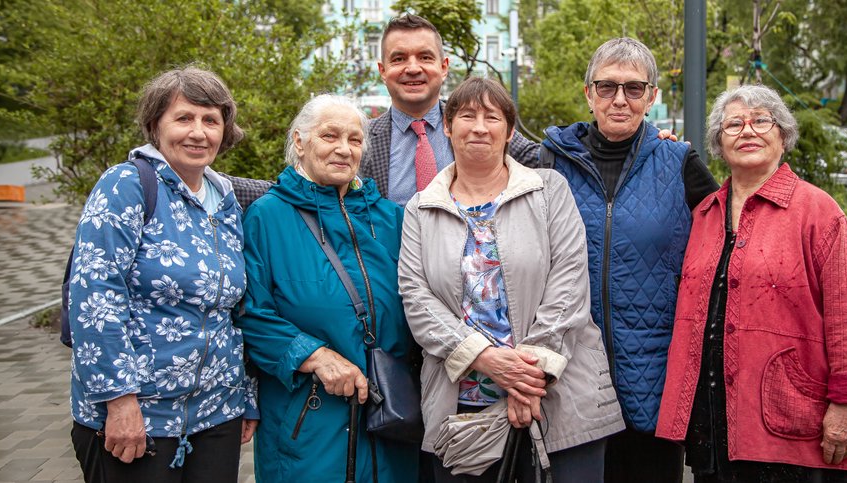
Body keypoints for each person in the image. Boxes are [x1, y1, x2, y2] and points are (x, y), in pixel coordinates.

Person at [655, 84, 847, 482]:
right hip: (711, 423)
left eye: (761, 120)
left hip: (791, 424)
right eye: (733, 124)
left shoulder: (817, 212)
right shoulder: (705, 214)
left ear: (782, 136)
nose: (747, 131)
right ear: (718, 143)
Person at [399, 77, 624, 483]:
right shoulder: (421, 208)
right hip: (464, 411)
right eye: (467, 116)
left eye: (492, 117)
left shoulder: (550, 190)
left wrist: (527, 379)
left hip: (559, 398)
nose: (480, 126)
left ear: (510, 130)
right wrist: (485, 359)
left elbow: (570, 286)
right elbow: (416, 300)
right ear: (447, 126)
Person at [540, 37, 719, 482]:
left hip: (656, 377)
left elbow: (726, 246)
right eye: (607, 87)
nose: (620, 99)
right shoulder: (551, 162)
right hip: (572, 377)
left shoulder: (679, 161)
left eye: (634, 89)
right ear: (588, 94)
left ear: (652, 97)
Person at [67, 66, 258, 482]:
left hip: (217, 414)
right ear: (155, 124)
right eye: (184, 118)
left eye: (211, 120)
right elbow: (95, 296)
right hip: (140, 417)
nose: (198, 132)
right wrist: (119, 402)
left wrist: (246, 396)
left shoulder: (225, 199)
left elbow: (235, 311)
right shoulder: (127, 185)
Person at [236, 94, 417, 482]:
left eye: (354, 140)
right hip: (309, 417)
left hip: (391, 418)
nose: (343, 148)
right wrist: (315, 355)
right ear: (300, 142)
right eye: (329, 135)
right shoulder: (268, 217)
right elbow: (250, 313)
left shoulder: (390, 219)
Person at [221, 13, 540, 209]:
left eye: (425, 58)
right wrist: (208, 181)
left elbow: (547, 160)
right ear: (382, 70)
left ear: (444, 67)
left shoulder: (478, 128)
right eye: (399, 59)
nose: (412, 68)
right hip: (392, 284)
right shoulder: (359, 140)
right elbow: (302, 186)